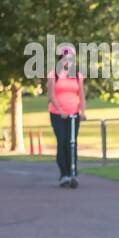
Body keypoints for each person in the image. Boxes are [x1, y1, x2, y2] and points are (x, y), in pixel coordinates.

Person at [46, 44, 86, 188]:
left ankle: (73, 172)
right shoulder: (53, 74)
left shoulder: (77, 74)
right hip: (57, 113)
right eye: (65, 57)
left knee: (72, 143)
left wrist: (82, 111)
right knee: (62, 142)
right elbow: (51, 95)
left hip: (73, 113)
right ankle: (64, 174)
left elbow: (81, 94)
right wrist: (60, 110)